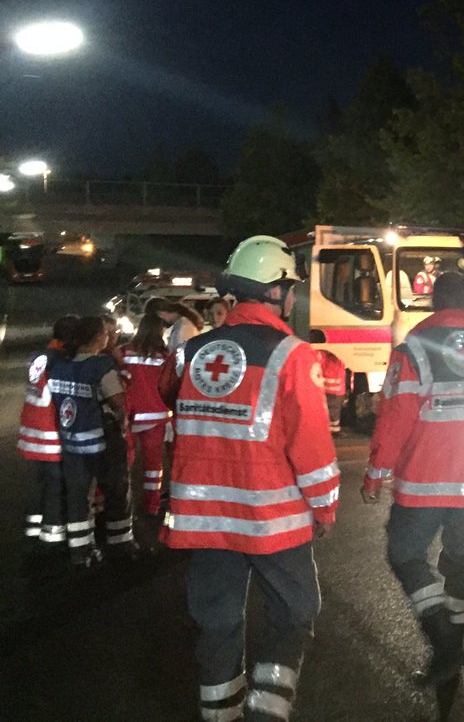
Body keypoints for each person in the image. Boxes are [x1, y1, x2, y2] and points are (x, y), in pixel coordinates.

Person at [159, 236, 339, 722]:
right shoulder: (292, 355)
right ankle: (267, 710)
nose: (294, 296)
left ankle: (220, 714)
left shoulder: (191, 351)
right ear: (275, 291)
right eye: (291, 287)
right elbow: (311, 447)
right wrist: (324, 507)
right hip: (271, 518)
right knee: (296, 610)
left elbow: (166, 393)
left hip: (204, 518)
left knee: (217, 620)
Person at [361, 271, 464, 686]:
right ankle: (456, 642)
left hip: (423, 483)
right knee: (462, 562)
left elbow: (395, 418)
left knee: (405, 554)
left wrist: (376, 474)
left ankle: (445, 644)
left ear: (434, 303)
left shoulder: (413, 350)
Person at [47, 315, 135, 569]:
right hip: (102, 439)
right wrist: (122, 421)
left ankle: (81, 550)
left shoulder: (60, 365)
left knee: (78, 495)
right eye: (106, 333)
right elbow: (118, 402)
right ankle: (121, 543)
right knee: (117, 489)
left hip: (71, 440)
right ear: (99, 337)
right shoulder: (101, 366)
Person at [17, 316, 75, 559]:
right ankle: (52, 535)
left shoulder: (39, 356)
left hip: (32, 429)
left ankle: (33, 527)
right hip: (50, 433)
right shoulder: (60, 360)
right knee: (55, 484)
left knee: (41, 482)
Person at [117, 312, 173, 518]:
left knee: (125, 460)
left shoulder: (124, 352)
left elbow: (119, 379)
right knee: (153, 464)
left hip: (130, 414)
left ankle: (120, 502)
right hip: (156, 416)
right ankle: (152, 504)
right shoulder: (165, 357)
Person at [314, 347, 347, 435]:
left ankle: (331, 429)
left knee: (331, 411)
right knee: (333, 411)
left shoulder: (322, 355)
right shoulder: (339, 357)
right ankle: (333, 430)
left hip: (330, 390)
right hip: (335, 391)